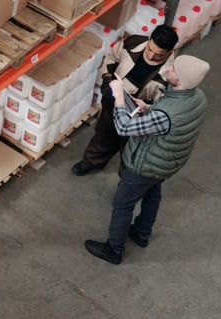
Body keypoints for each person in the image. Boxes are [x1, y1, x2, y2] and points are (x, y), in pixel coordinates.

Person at [85, 55, 210, 264]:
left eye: (173, 69)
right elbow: (171, 116)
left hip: (146, 164)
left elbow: (124, 127)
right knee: (153, 192)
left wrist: (119, 97)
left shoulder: (166, 115)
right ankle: (141, 233)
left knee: (122, 204)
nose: (168, 69)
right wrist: (147, 107)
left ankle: (114, 250)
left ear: (181, 79)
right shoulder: (197, 97)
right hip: (166, 162)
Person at [71, 25, 178, 176]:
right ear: (149, 39)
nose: (151, 56)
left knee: (129, 150)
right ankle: (92, 161)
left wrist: (146, 107)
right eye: (149, 49)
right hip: (113, 101)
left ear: (170, 51)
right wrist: (107, 77)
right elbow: (112, 57)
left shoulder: (171, 74)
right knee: (103, 134)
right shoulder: (133, 43)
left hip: (138, 117)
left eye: (159, 55)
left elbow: (164, 104)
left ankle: (125, 179)